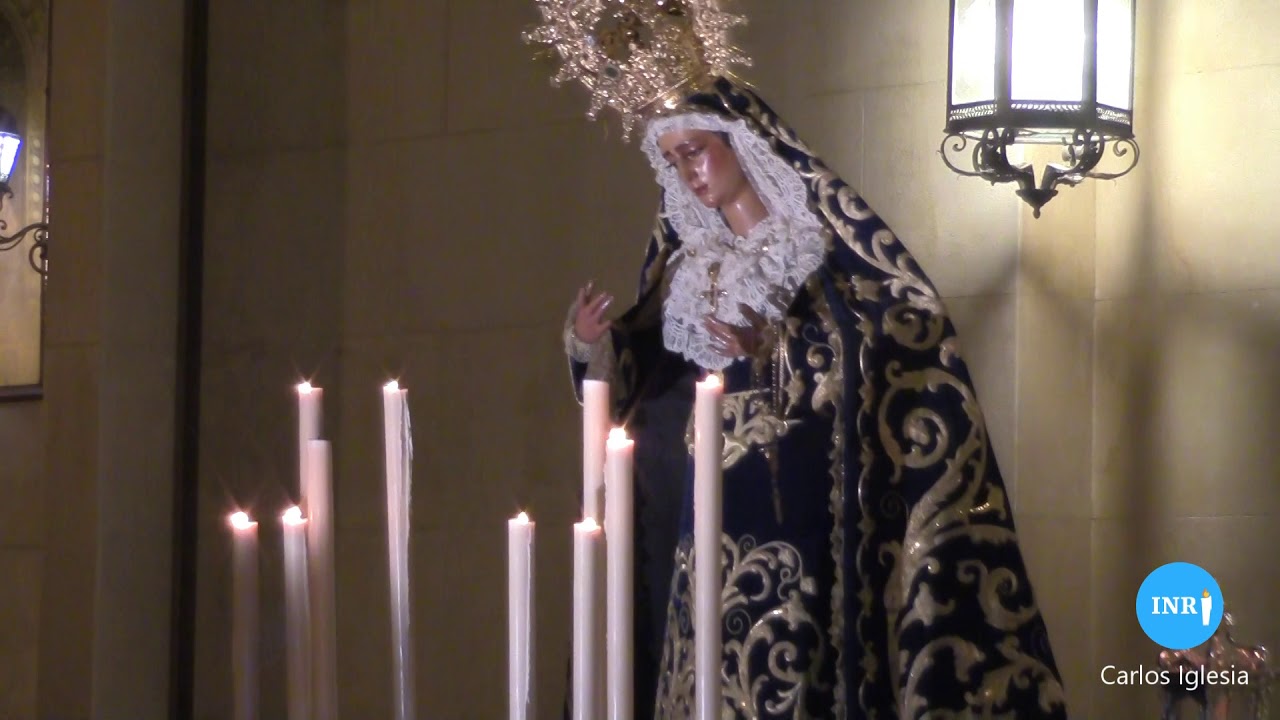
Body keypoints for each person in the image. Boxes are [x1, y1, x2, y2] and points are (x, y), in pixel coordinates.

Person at [562, 76, 1069, 719]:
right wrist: (594, 349)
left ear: (742, 143)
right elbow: (647, 391)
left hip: (799, 515)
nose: (688, 173)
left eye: (696, 151)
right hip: (703, 524)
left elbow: (900, 337)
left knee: (792, 670)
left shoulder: (823, 256)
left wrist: (776, 343)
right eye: (673, 161)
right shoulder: (691, 270)